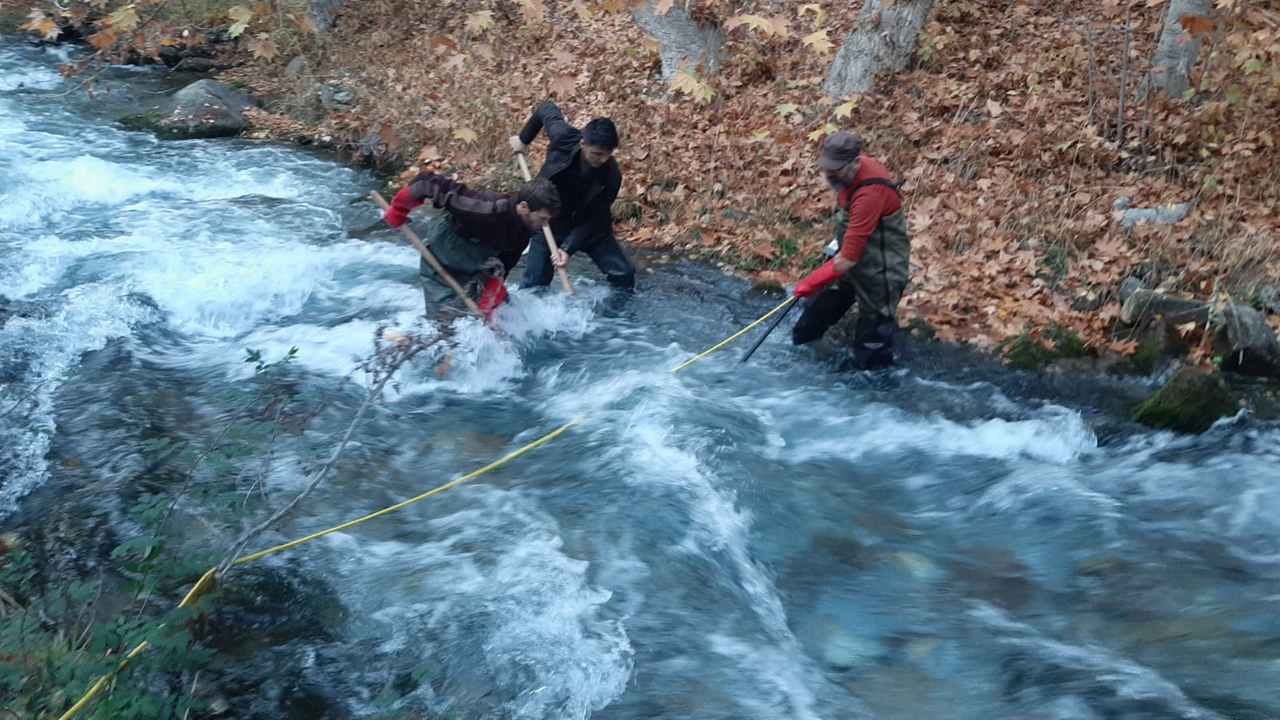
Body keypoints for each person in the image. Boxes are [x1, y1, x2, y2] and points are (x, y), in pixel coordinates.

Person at [791, 131, 910, 370]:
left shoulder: (869, 194)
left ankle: (875, 387)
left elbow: (846, 261)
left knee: (872, 342)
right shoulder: (847, 176)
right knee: (816, 313)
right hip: (854, 258)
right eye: (826, 167)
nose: (829, 174)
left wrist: (809, 283)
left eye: (835, 169)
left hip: (881, 270)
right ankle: (802, 349)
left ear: (856, 162)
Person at [383, 172, 561, 321]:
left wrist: (491, 295)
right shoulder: (484, 208)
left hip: (476, 262)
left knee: (505, 313)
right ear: (524, 207)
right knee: (445, 324)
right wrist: (400, 208)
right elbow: (427, 183)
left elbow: (506, 262)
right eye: (543, 218)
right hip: (444, 255)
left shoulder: (525, 229)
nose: (546, 225)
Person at [508, 100, 636, 290]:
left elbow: (595, 218)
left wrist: (567, 249)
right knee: (534, 285)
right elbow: (546, 108)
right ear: (583, 143)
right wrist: (524, 140)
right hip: (550, 222)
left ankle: (614, 317)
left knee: (624, 274)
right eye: (598, 153)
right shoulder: (563, 138)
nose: (603, 159)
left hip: (590, 228)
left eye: (608, 154)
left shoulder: (611, 175)